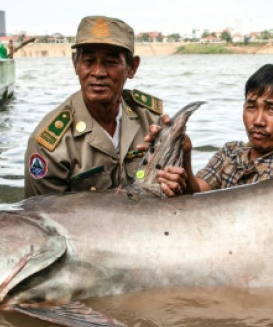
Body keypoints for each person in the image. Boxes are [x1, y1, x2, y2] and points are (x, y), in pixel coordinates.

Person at [24, 15, 186, 196]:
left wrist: (176, 181)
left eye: (111, 62)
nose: (98, 72)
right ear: (75, 65)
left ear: (132, 67)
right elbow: (42, 217)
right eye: (88, 61)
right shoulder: (50, 144)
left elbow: (171, 192)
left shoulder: (151, 121)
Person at [179, 64, 273, 193]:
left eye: (272, 109)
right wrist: (184, 155)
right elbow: (198, 191)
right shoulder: (230, 153)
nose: (258, 121)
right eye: (251, 107)